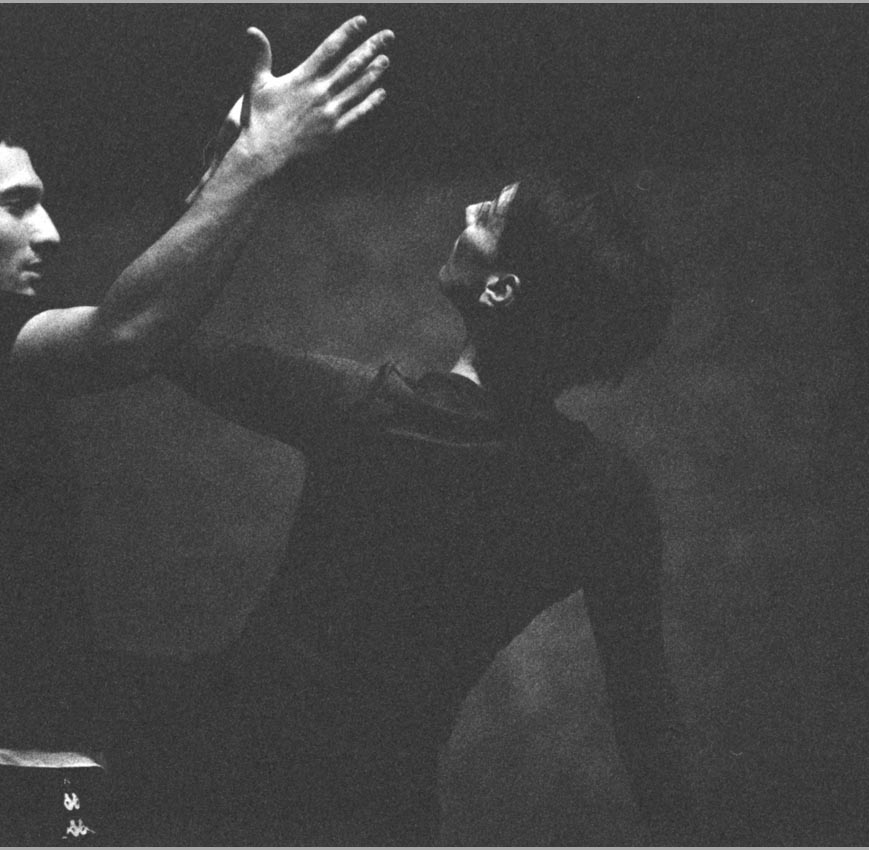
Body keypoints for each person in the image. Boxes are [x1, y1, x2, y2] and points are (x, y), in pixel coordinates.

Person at [0, 17, 392, 846]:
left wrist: (222, 179)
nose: (50, 231)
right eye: (17, 204)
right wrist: (258, 161)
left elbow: (143, 310)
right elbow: (125, 332)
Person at [163, 164, 690, 845]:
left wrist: (234, 182)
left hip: (223, 778)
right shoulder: (603, 494)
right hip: (384, 812)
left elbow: (151, 337)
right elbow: (645, 711)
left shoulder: (367, 411)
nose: (470, 209)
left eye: (490, 216)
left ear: (501, 289)